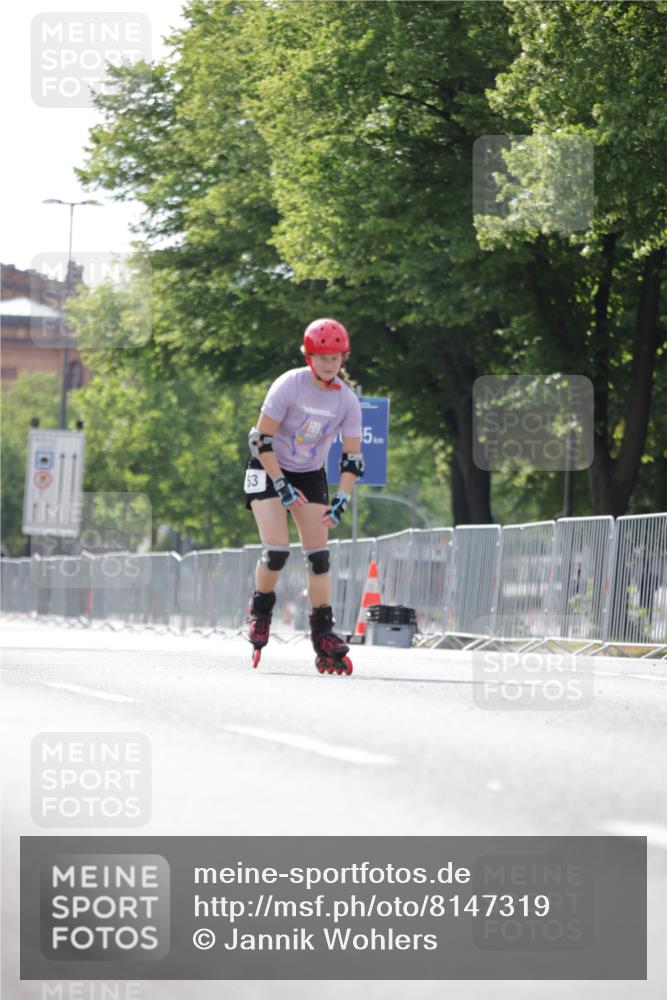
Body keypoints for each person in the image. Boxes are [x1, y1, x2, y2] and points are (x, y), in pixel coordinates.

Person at [243, 318, 364, 670]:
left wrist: (342, 498)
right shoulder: (289, 386)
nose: (329, 364)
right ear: (309, 356)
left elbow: (352, 458)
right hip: (268, 467)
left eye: (335, 358)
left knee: (319, 557)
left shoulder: (347, 401)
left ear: (344, 358)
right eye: (322, 357)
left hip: (310, 473)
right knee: (278, 551)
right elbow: (260, 440)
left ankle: (323, 631)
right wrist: (280, 483)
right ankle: (261, 608)